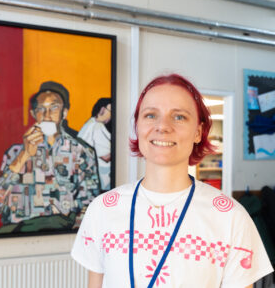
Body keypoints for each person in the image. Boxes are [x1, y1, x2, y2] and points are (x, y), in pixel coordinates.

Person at [71, 74, 273, 288]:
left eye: (179, 117)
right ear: (137, 127)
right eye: (150, 115)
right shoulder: (102, 209)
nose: (162, 126)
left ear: (198, 132)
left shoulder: (231, 217)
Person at [0, 81, 101, 231]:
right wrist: (24, 155)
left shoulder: (81, 152)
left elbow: (90, 205)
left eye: (54, 108)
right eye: (41, 109)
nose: (47, 115)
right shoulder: (15, 153)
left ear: (64, 112)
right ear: (34, 114)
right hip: (18, 234)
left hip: (62, 233)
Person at [78, 98, 112, 191]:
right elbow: (105, 156)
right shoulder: (97, 127)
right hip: (101, 176)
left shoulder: (91, 123)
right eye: (111, 111)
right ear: (102, 110)